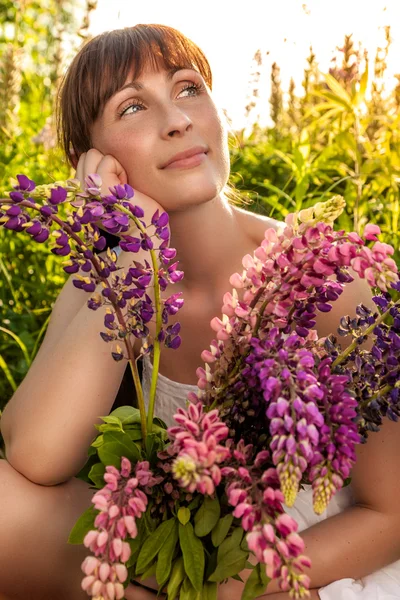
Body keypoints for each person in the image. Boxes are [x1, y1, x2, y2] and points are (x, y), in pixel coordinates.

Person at [0, 22, 399, 600]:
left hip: (313, 569)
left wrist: (224, 591)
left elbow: (391, 515)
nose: (177, 119)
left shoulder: (330, 277)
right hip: (181, 559)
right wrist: (135, 253)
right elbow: (34, 455)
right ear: (88, 161)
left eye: (188, 88)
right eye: (133, 107)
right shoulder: (106, 279)